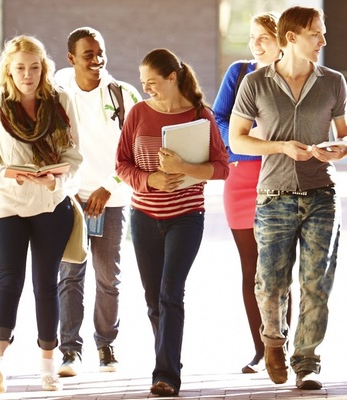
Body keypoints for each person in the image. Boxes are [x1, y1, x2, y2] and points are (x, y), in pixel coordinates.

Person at [228, 5, 347, 391]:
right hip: (274, 194)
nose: (323, 41)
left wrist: (338, 149)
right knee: (271, 282)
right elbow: (237, 138)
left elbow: (346, 134)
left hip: (322, 195)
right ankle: (272, 342)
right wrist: (281, 146)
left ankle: (307, 361)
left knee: (317, 283)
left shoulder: (334, 81)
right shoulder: (256, 83)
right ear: (292, 38)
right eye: (316, 34)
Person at [115, 48, 229, 397]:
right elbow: (121, 164)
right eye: (142, 82)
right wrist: (151, 181)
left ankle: (165, 375)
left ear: (172, 78)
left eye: (152, 82)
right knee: (153, 299)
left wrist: (184, 170)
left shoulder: (200, 116)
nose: (146, 88)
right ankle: (169, 360)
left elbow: (222, 167)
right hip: (144, 216)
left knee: (170, 294)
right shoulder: (137, 114)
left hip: (186, 217)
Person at [0, 35, 83, 392]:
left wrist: (56, 177)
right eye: (20, 68)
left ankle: (47, 366)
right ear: (9, 69)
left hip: (50, 202)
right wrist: (11, 173)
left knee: (45, 284)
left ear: (44, 68)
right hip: (7, 203)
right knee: (9, 281)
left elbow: (74, 158)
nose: (28, 74)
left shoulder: (60, 102)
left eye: (34, 67)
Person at [54, 27, 141, 377]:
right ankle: (70, 352)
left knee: (109, 278)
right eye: (88, 54)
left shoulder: (123, 94)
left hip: (113, 199)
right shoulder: (59, 94)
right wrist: (70, 187)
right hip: (71, 198)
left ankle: (106, 345)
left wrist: (108, 188)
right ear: (71, 58)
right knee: (70, 275)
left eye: (100, 51)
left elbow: (137, 151)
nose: (97, 59)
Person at [212, 11, 292, 374]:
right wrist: (251, 143)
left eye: (263, 37)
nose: (255, 44)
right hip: (241, 180)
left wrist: (266, 143)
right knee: (253, 271)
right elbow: (218, 120)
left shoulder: (294, 77)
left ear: (282, 42)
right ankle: (261, 350)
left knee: (281, 270)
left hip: (281, 178)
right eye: (252, 37)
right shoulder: (239, 73)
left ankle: (284, 346)